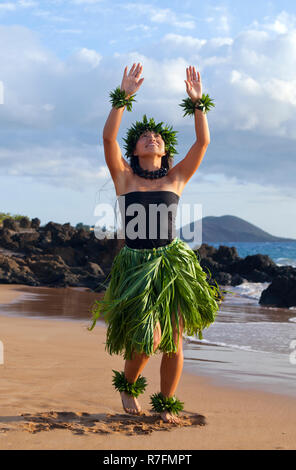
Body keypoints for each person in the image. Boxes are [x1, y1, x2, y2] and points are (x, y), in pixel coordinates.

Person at [89, 63, 222, 424]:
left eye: (159, 138)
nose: (153, 138)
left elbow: (203, 142)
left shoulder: (177, 177)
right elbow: (107, 139)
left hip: (171, 264)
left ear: (165, 152)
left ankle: (165, 405)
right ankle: (128, 385)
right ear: (135, 148)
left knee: (176, 341)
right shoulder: (124, 178)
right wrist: (123, 98)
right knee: (148, 338)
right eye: (145, 136)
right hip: (136, 265)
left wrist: (198, 104)